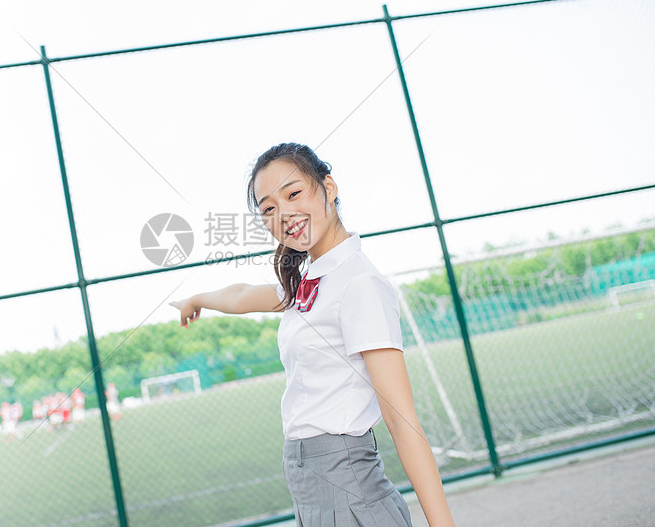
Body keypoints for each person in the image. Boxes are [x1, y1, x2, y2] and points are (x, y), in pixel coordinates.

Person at [170, 143, 455, 526]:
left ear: (328, 188)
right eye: (268, 208)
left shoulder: (360, 285)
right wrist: (196, 298)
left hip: (349, 496)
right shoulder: (313, 282)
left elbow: (402, 421)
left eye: (293, 193)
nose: (283, 214)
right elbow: (243, 295)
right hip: (315, 496)